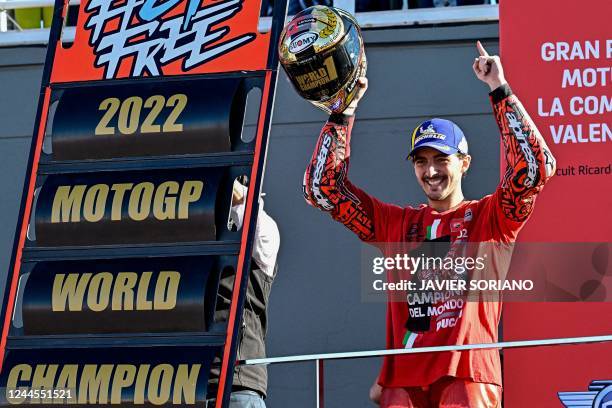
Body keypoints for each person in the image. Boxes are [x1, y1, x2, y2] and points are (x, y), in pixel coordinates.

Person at [302, 41, 556, 407]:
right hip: (402, 382)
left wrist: (499, 90)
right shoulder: (396, 223)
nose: (431, 170)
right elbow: (321, 189)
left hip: (466, 373)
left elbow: (536, 167)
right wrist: (343, 111)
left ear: (465, 163)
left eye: (441, 159)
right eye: (421, 161)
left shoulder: (492, 218)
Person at [207, 178, 281, 408]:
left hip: (238, 383)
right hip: (192, 384)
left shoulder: (264, 231)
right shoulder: (202, 242)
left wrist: (221, 177)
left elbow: (247, 208)